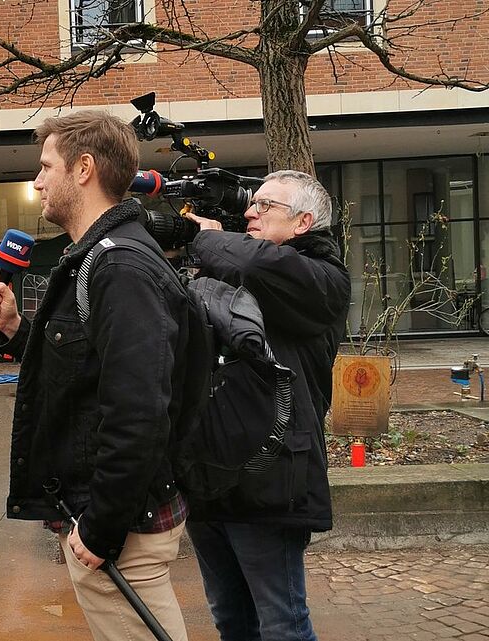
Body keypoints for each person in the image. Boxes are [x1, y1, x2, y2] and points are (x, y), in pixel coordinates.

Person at [0, 110, 193, 641]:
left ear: (84, 168)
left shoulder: (120, 268)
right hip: (112, 517)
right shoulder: (98, 259)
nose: (36, 181)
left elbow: (139, 412)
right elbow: (86, 372)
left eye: (46, 166)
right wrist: (14, 327)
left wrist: (99, 529)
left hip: (122, 529)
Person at [183, 170, 350, 641]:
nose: (249, 213)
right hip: (211, 474)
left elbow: (258, 267)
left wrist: (210, 242)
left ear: (303, 222)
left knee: (282, 622)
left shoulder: (322, 278)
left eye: (265, 206)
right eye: (250, 204)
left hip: (272, 474)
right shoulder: (232, 265)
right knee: (230, 618)